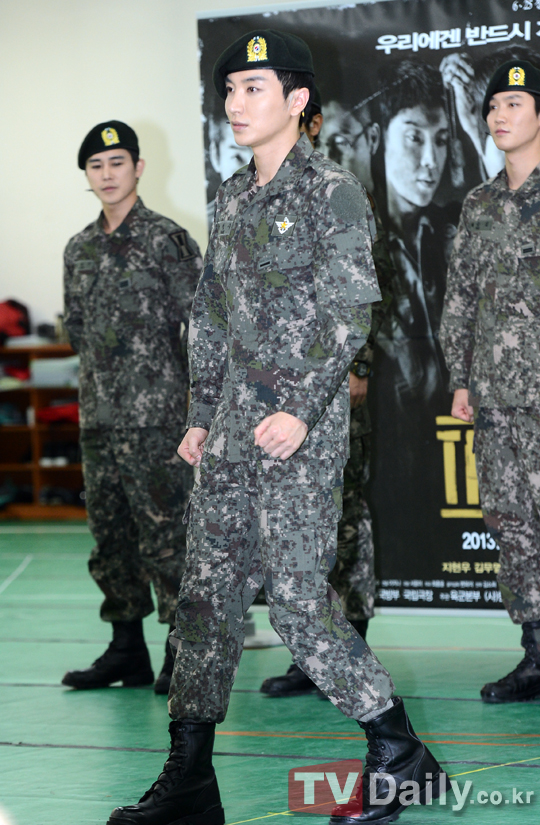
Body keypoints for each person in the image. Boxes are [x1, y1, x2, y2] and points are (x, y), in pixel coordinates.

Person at [106, 31, 446, 825]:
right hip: (229, 431)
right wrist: (200, 416)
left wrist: (302, 406)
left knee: (296, 600)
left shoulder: (332, 192)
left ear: (297, 102)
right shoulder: (232, 197)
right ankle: (190, 777)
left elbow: (349, 312)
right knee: (203, 600)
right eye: (229, 90)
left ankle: (399, 749)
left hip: (298, 431)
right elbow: (212, 316)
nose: (236, 103)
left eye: (253, 88)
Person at [260, 90, 396, 697]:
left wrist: (357, 365)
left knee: (343, 511)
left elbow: (370, 290)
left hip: (337, 383)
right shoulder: (257, 194)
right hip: (278, 391)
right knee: (299, 525)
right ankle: (314, 651)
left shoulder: (340, 192)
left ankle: (350, 638)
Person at [62, 121, 202, 695]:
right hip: (98, 419)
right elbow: (76, 329)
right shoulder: (78, 248)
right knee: (111, 539)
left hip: (158, 421)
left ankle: (181, 650)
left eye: (117, 162)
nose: (107, 174)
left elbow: (203, 325)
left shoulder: (168, 240)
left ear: (138, 168)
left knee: (167, 539)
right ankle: (126, 650)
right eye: (96, 166)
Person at [441, 59, 540, 704]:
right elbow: (461, 298)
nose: (499, 116)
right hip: (497, 396)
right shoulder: (479, 203)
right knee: (512, 521)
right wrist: (461, 378)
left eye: (514, 103)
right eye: (493, 106)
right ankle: (536, 651)